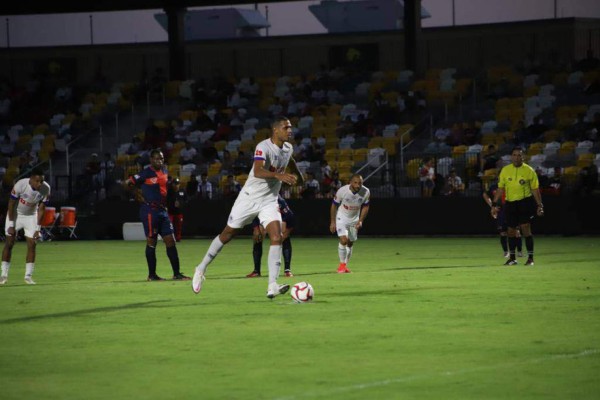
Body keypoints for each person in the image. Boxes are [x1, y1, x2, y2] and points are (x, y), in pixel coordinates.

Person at [192, 116, 304, 299]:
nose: (290, 130)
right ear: (276, 130)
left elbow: (289, 160)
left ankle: (272, 285)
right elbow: (258, 170)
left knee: (277, 236)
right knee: (227, 234)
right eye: (286, 127)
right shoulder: (263, 146)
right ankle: (201, 268)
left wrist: (298, 175)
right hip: (249, 199)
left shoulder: (288, 147)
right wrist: (279, 176)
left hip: (269, 201)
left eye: (290, 127)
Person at [127, 149, 190, 281]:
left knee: (171, 241)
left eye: (161, 159)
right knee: (151, 242)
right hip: (150, 211)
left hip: (162, 211)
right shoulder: (146, 172)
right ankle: (152, 275)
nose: (159, 161)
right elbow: (128, 183)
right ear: (151, 160)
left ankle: (177, 274)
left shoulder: (165, 171)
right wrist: (137, 195)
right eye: (156, 159)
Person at [491, 147, 544, 266]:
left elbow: (535, 189)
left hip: (524, 202)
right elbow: (500, 189)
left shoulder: (529, 170)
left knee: (525, 229)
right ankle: (513, 259)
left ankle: (530, 258)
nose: (516, 157)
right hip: (510, 203)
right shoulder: (505, 170)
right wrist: (494, 205)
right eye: (514, 155)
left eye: (519, 155)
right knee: (511, 231)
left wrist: (539, 205)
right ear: (511, 157)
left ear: (523, 157)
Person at [1, 168, 50, 285]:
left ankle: (28, 276)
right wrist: (11, 225)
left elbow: (42, 209)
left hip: (31, 216)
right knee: (9, 243)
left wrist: (38, 229)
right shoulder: (21, 185)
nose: (40, 184)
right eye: (37, 181)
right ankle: (3, 275)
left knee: (32, 244)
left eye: (41, 181)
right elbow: (11, 204)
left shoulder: (46, 188)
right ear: (31, 180)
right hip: (16, 215)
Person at [246, 194, 295, 278]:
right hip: (263, 219)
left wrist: (286, 233)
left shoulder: (279, 201)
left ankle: (287, 270)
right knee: (257, 238)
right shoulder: (257, 199)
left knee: (284, 234)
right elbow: (253, 215)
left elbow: (290, 217)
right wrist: (256, 229)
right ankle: (256, 271)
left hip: (278, 219)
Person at [329, 174, 370, 273]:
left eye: (360, 183)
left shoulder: (365, 192)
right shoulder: (342, 191)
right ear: (350, 182)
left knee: (350, 243)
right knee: (344, 240)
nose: (358, 185)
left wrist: (360, 220)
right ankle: (341, 265)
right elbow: (334, 206)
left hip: (354, 220)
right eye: (355, 182)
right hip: (342, 217)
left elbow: (366, 206)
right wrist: (333, 222)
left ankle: (345, 265)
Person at [483, 179, 523, 258]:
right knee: (503, 232)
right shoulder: (494, 186)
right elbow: (485, 194)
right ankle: (506, 252)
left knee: (516, 232)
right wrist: (492, 206)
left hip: (511, 210)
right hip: (501, 212)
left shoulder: (511, 185)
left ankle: (519, 251)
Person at [167, 178, 186, 242]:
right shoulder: (169, 191)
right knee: (169, 226)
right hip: (171, 212)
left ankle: (178, 238)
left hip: (179, 212)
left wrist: (180, 204)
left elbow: (186, 200)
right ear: (172, 184)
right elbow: (166, 201)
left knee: (179, 227)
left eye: (177, 184)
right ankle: (170, 238)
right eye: (175, 184)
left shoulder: (182, 191)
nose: (176, 186)